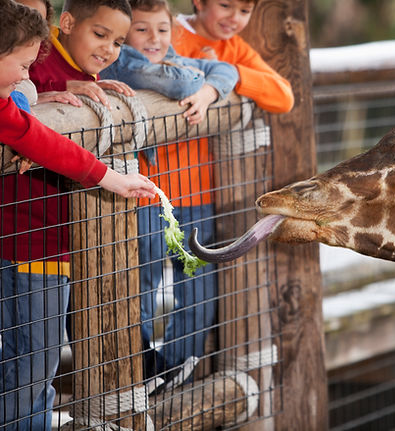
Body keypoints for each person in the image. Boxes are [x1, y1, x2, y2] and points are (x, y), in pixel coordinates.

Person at [0, 1, 155, 430]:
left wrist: (113, 179)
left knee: (34, 371)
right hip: (27, 241)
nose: (25, 80)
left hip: (46, 244)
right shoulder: (32, 82)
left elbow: (41, 140)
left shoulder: (9, 102)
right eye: (23, 66)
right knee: (30, 370)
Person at [100, 0, 238, 388]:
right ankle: (140, 365)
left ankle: (176, 364)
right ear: (126, 34)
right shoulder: (121, 62)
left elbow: (227, 70)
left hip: (189, 191)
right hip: (143, 191)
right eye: (142, 30)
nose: (154, 39)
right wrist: (200, 76)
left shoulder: (174, 57)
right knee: (141, 273)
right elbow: (178, 83)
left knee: (194, 272)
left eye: (162, 29)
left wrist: (210, 91)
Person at [173, 0, 294, 114]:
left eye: (244, 11)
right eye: (225, 5)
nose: (234, 19)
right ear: (198, 2)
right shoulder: (165, 34)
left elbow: (284, 98)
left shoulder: (236, 48)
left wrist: (229, 72)